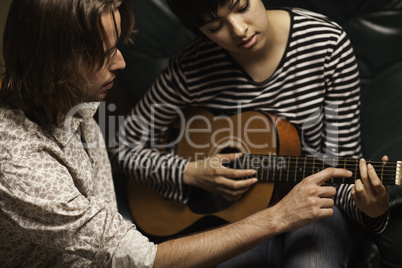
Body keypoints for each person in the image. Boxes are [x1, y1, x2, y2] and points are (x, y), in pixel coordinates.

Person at [0, 0, 386, 267]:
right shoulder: (189, 69)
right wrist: (191, 173)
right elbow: (127, 149)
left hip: (317, 207)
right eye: (214, 25)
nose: (238, 31)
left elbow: (344, 177)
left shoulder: (327, 44)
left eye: (241, 6)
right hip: (236, 219)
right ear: (197, 31)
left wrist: (371, 211)